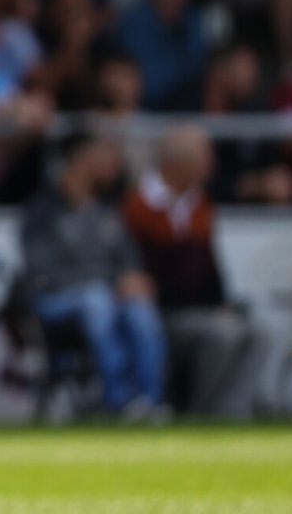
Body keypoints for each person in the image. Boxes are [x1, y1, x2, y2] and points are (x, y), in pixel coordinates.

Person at [19, 132, 168, 418]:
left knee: (140, 309)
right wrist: (106, 282)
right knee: (95, 299)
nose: (114, 161)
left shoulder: (108, 211)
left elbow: (128, 258)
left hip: (106, 296)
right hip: (54, 300)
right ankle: (119, 399)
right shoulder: (42, 211)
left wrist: (132, 278)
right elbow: (40, 271)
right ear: (82, 159)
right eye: (105, 152)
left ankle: (151, 401)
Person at [123, 126, 265, 417]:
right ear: (177, 163)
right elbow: (138, 272)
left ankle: (231, 412)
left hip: (200, 311)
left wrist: (221, 301)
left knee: (259, 334)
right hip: (161, 312)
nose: (211, 164)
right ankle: (201, 412)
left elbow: (209, 266)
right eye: (204, 156)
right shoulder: (138, 206)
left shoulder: (200, 205)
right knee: (222, 335)